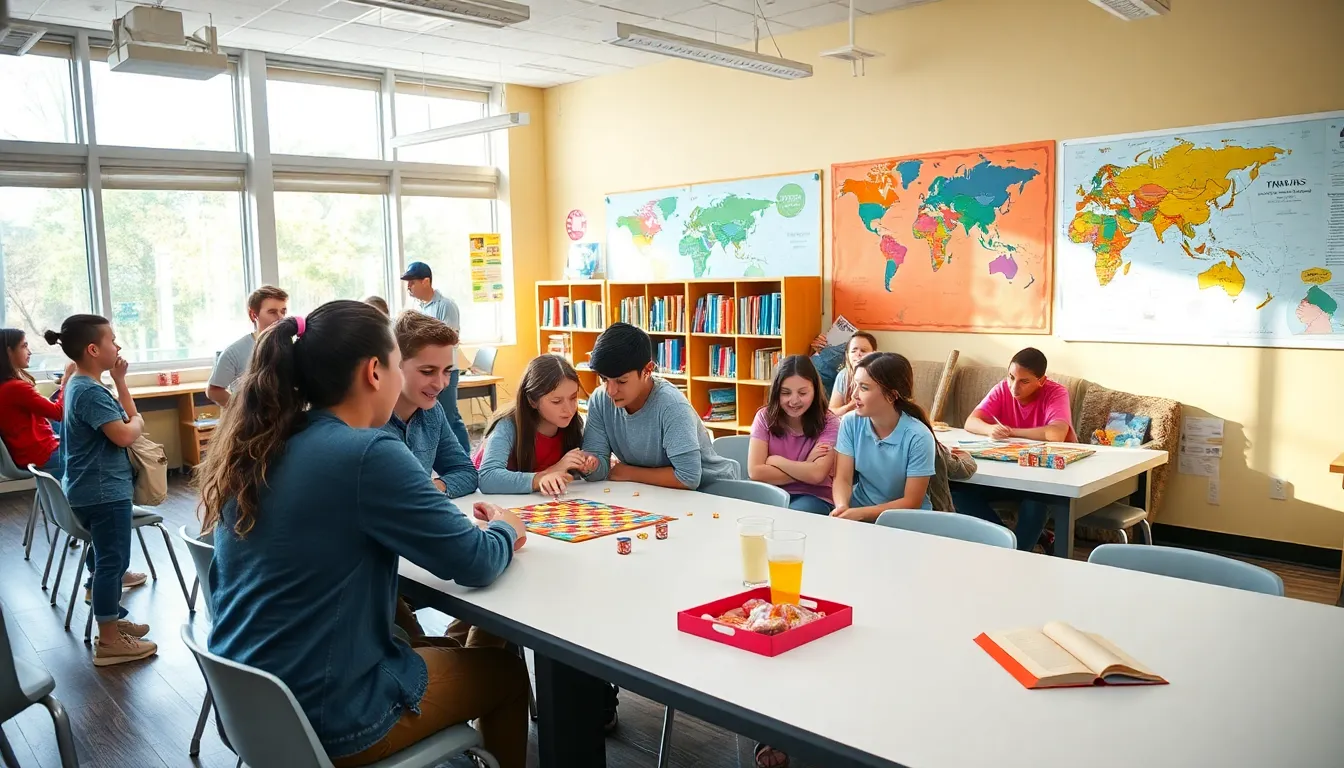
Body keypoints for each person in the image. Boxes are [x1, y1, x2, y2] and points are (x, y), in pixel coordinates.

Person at [199, 301, 530, 768]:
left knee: (447, 650)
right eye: (400, 365)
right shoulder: (370, 451)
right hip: (333, 714)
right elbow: (473, 561)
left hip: (251, 707)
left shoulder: (262, 443)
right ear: (376, 371)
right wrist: (503, 528)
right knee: (506, 674)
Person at [46, 316, 155, 666]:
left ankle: (110, 616)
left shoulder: (80, 384)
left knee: (108, 558)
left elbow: (126, 417)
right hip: (104, 493)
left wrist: (121, 382)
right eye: (113, 340)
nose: (118, 346)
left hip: (91, 489)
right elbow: (125, 432)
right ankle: (108, 641)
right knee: (113, 562)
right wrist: (136, 424)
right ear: (94, 349)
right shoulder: (90, 391)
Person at [581, 322, 739, 489]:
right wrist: (591, 466)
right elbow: (600, 470)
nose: (610, 391)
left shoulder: (672, 405)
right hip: (657, 491)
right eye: (604, 379)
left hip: (715, 490)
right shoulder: (600, 400)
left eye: (622, 381)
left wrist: (628, 472)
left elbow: (688, 477)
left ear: (647, 370)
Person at [958, 347, 1077, 551]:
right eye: (1011, 377)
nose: (1014, 387)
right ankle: (1008, 541)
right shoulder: (1002, 389)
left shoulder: (1056, 392)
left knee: (1035, 505)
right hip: (1009, 476)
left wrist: (1012, 432)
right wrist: (989, 429)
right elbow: (971, 422)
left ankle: (1013, 554)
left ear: (1042, 380)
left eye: (1024, 381)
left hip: (1045, 478)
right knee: (957, 490)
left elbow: (1055, 434)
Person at [380, 312, 478, 499]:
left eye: (447, 371)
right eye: (427, 371)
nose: (440, 384)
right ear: (394, 365)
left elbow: (466, 472)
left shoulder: (432, 412)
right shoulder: (367, 420)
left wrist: (431, 488)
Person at [831, 352, 937, 521]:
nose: (854, 395)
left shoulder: (919, 437)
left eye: (864, 388)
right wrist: (842, 507)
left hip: (905, 521)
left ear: (892, 395)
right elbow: (842, 478)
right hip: (858, 512)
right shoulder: (850, 422)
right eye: (855, 385)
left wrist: (860, 513)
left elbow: (912, 502)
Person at [476, 354, 596, 496]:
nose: (569, 409)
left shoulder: (572, 424)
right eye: (556, 401)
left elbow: (572, 478)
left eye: (573, 398)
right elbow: (487, 478)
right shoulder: (507, 426)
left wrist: (585, 465)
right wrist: (544, 476)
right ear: (532, 401)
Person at [747, 355, 839, 514]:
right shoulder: (764, 417)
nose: (794, 400)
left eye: (802, 393)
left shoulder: (830, 422)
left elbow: (817, 475)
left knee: (788, 519)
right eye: (785, 393)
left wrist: (777, 461)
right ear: (776, 392)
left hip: (813, 496)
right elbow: (755, 472)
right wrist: (806, 463)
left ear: (815, 390)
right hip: (769, 493)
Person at [400, 262, 470, 454]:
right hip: (428, 369)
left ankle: (463, 456)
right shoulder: (417, 307)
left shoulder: (446, 306)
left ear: (426, 281)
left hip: (446, 369)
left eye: (412, 283)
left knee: (449, 416)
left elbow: (449, 340)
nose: (408, 288)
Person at [0, 328, 73, 476]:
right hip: (40, 454)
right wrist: (67, 379)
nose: (29, 352)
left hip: (25, 454)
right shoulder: (15, 387)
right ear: (9, 351)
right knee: (100, 456)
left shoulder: (7, 386)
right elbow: (59, 413)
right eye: (24, 346)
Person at [207, 285, 289, 408]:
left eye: (283, 311)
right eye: (272, 312)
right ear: (253, 315)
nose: (280, 317)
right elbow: (214, 391)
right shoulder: (234, 352)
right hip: (254, 423)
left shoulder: (290, 346)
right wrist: (241, 412)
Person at [827, 331, 877, 418]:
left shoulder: (880, 376)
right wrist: (851, 405)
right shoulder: (843, 376)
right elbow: (832, 412)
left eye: (863, 350)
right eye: (853, 351)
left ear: (874, 354)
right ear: (847, 355)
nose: (858, 354)